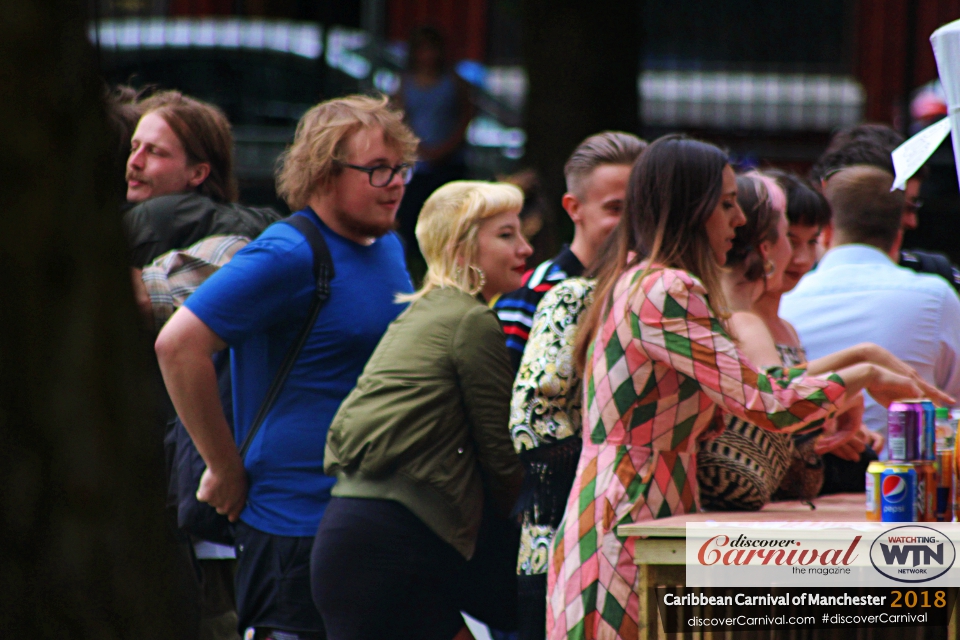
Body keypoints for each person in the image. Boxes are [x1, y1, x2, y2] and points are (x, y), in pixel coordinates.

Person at [546, 136, 948, 640]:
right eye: (728, 204)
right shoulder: (668, 287)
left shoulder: (645, 279)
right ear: (691, 207)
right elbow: (768, 405)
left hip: (635, 508)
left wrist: (858, 369)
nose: (738, 221)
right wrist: (863, 376)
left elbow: (758, 389)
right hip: (629, 514)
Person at [155, 95, 418, 640]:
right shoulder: (288, 254)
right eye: (378, 170)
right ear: (323, 173)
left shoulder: (387, 245)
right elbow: (178, 346)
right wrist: (223, 467)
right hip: (294, 533)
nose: (396, 183)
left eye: (401, 169)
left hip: (372, 520)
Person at [313, 181, 529, 640]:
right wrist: (531, 529)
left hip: (355, 537)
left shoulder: (425, 310)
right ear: (462, 247)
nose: (525, 247)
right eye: (507, 235)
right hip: (393, 547)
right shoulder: (470, 319)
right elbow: (500, 452)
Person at [781, 165, 960, 455]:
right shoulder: (936, 297)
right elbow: (951, 406)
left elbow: (770, 394)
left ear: (825, 232)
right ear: (899, 235)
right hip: (906, 481)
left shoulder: (786, 298)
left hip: (809, 473)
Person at [495, 131, 646, 371]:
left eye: (641, 207)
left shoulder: (656, 288)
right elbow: (505, 400)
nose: (632, 222)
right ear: (574, 208)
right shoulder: (531, 294)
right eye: (615, 209)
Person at [810, 123, 960, 289]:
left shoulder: (936, 275)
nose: (912, 221)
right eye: (898, 206)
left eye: (914, 206)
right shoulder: (789, 281)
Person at [394, 26, 475, 279]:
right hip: (418, 164)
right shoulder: (405, 83)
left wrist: (446, 148)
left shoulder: (454, 81)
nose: (428, 55)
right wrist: (418, 148)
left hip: (449, 162)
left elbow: (466, 116)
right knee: (412, 219)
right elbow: (399, 119)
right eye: (422, 49)